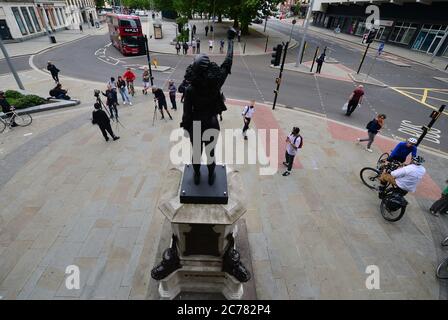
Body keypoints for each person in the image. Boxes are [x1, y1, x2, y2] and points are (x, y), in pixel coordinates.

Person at [180, 27, 236, 185]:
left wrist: (186, 127)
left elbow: (186, 114)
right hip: (211, 122)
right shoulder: (216, 83)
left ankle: (197, 176)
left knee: (196, 153)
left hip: (196, 124)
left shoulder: (190, 89)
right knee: (210, 153)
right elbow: (228, 62)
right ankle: (211, 176)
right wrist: (230, 41)